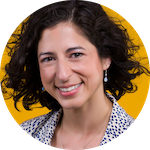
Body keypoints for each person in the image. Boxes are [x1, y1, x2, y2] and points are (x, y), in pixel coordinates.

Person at [1, 0, 150, 149]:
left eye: (76, 54)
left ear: (105, 58)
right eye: (48, 59)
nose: (63, 75)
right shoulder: (28, 131)